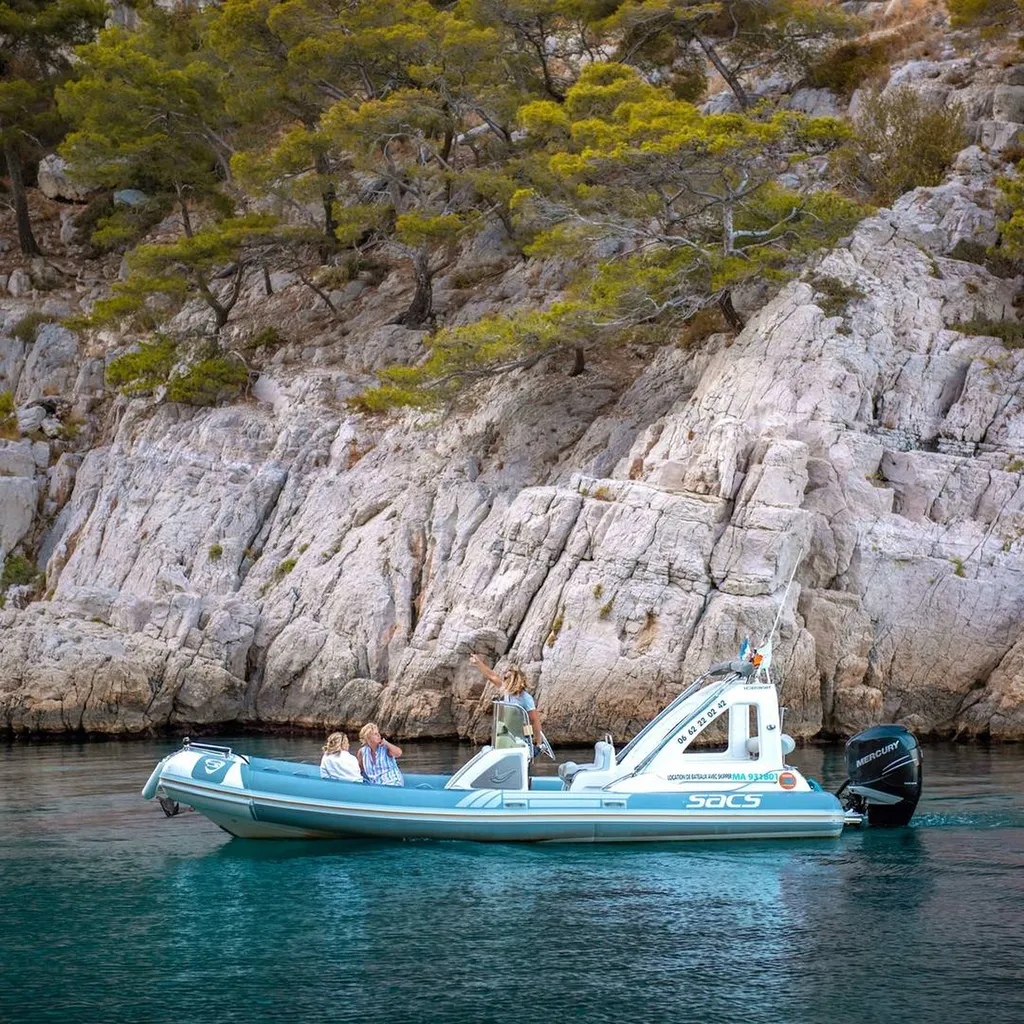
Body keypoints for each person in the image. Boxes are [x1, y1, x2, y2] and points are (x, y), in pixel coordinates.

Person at [468, 652, 545, 756]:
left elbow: (535, 721)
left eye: (506, 678)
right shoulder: (506, 691)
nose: (504, 680)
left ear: (515, 681)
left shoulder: (526, 699)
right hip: (506, 735)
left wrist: (539, 744)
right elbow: (492, 676)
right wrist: (478, 663)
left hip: (521, 738)